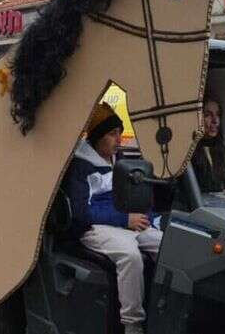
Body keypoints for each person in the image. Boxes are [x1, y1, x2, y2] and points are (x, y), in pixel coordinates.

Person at [63, 102, 162, 334]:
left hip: (126, 222)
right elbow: (81, 212)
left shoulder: (120, 161)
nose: (118, 140)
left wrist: (148, 216)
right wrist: (124, 220)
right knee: (130, 257)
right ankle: (133, 325)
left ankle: (162, 310)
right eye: (111, 134)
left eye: (119, 133)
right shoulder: (81, 166)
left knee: (167, 246)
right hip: (95, 227)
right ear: (97, 138)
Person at [192, 97, 225, 192]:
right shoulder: (188, 156)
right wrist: (224, 192)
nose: (215, 120)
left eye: (218, 115)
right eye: (208, 115)